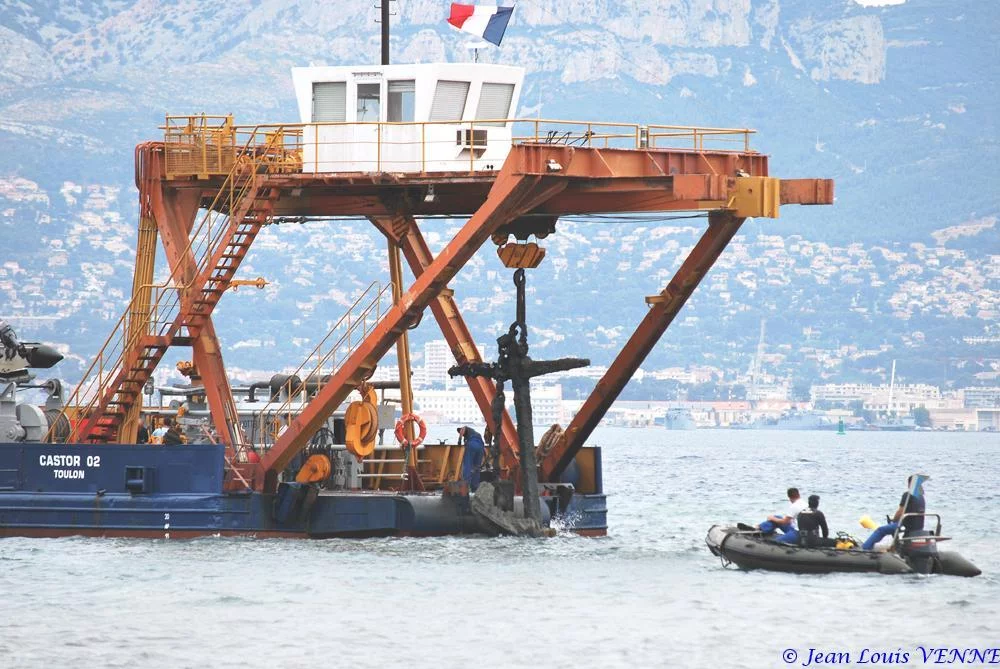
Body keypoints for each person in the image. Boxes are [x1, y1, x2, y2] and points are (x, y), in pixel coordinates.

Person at [862, 475, 927, 551]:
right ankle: (896, 548)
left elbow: (900, 511)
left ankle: (865, 549)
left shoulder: (907, 494)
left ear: (910, 484)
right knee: (892, 527)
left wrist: (894, 520)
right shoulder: (921, 496)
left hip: (906, 525)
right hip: (917, 526)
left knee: (881, 530)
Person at [457, 426, 485, 492]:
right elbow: (483, 447)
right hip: (480, 446)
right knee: (477, 468)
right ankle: (475, 487)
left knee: (467, 465)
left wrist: (459, 440)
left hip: (472, 445)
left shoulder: (465, 428)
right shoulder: (474, 433)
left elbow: (462, 430)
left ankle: (466, 486)